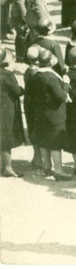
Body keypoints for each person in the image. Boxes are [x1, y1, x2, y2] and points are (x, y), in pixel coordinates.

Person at [29, 48, 71, 180]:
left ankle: (47, 167)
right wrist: (66, 85)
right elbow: (61, 97)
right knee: (55, 142)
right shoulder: (51, 78)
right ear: (50, 62)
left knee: (43, 140)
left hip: (40, 113)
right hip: (54, 114)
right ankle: (58, 170)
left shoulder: (34, 75)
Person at [0, 49, 26, 177]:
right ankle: (8, 167)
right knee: (6, 135)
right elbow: (17, 91)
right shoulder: (7, 75)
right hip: (6, 110)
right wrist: (22, 89)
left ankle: (2, 165)